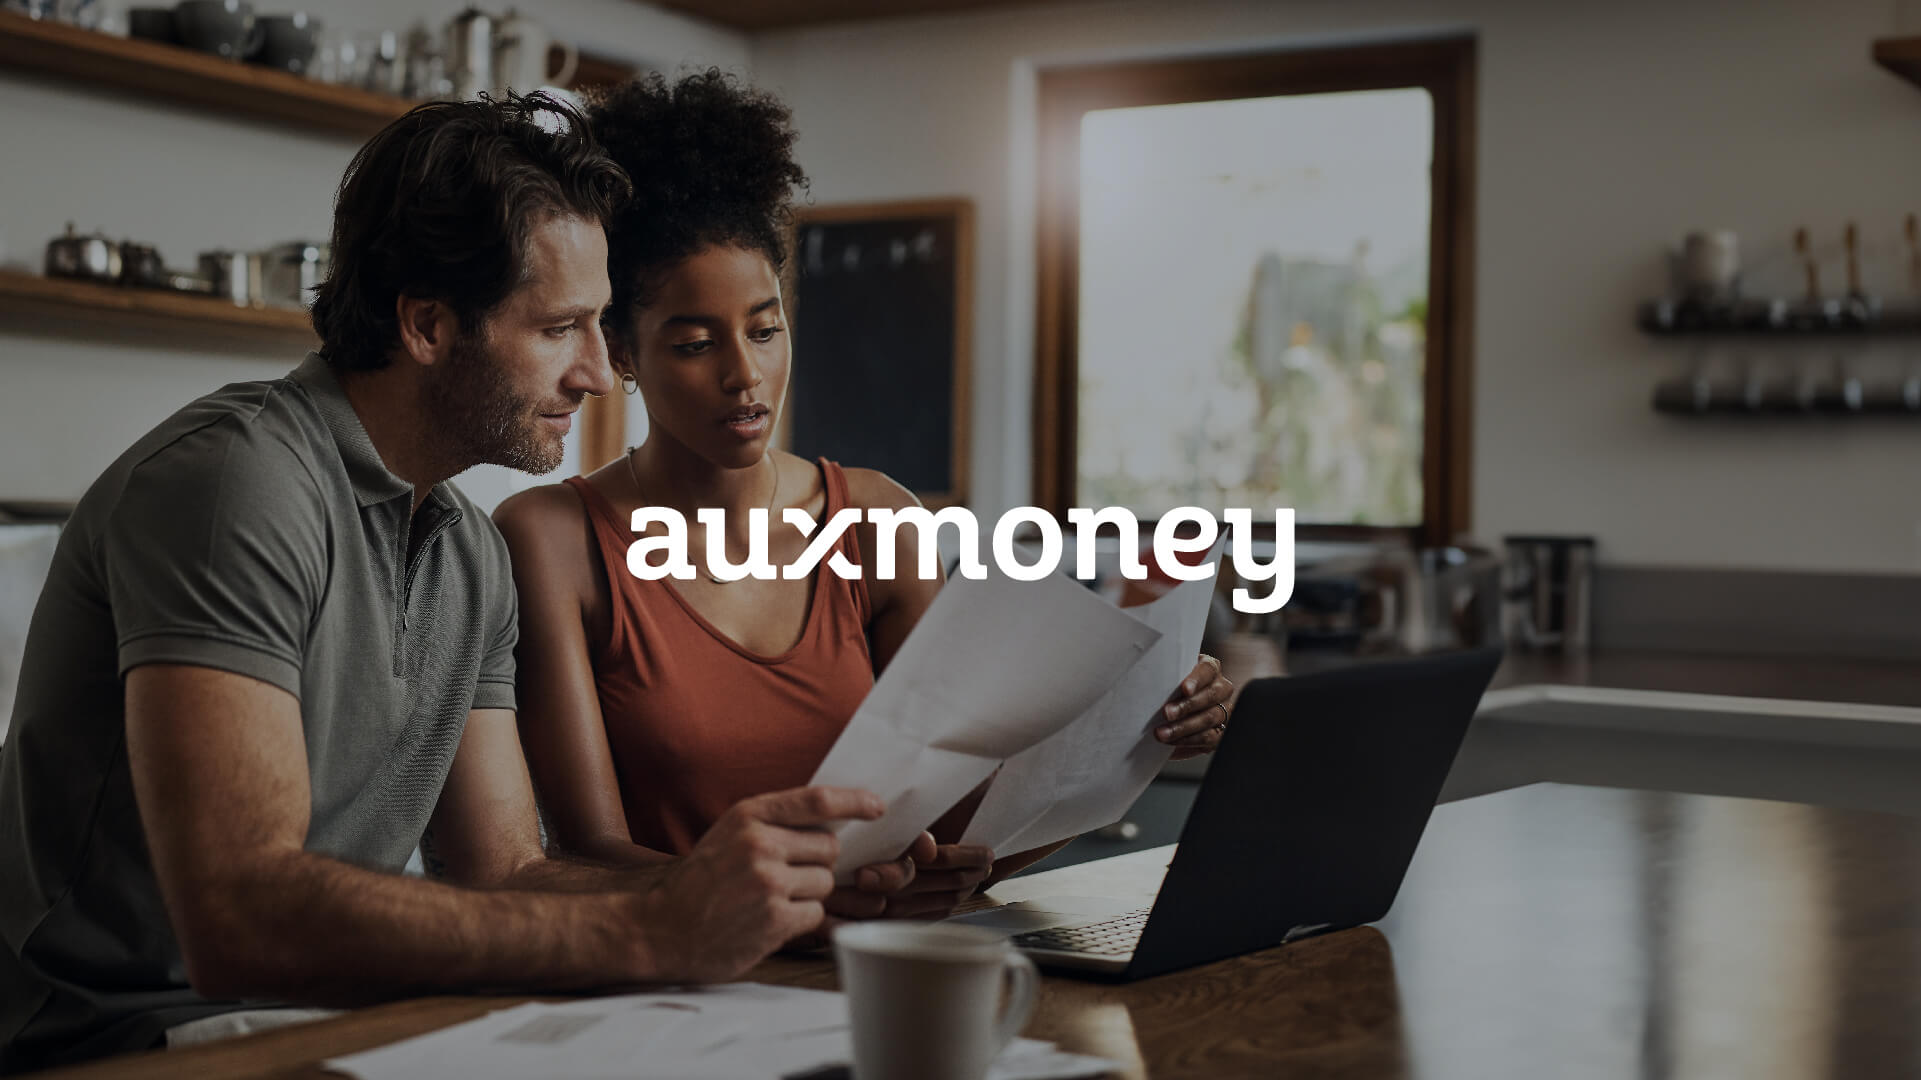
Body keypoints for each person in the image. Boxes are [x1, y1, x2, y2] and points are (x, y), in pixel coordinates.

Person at [0, 93, 914, 1072]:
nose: (601, 375)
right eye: (562, 327)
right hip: (115, 1041)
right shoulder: (235, 485)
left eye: (603, 327)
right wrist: (651, 934)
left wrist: (748, 894)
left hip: (322, 1023)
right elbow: (240, 916)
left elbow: (504, 871)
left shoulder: (467, 551)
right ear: (427, 323)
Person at [493, 71, 1235, 924]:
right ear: (619, 351)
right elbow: (588, 852)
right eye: (695, 343)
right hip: (677, 990)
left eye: (766, 330)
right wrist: (806, 901)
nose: (746, 376)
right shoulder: (551, 540)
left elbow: (967, 823)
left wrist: (1138, 729)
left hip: (873, 973)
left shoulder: (877, 518)